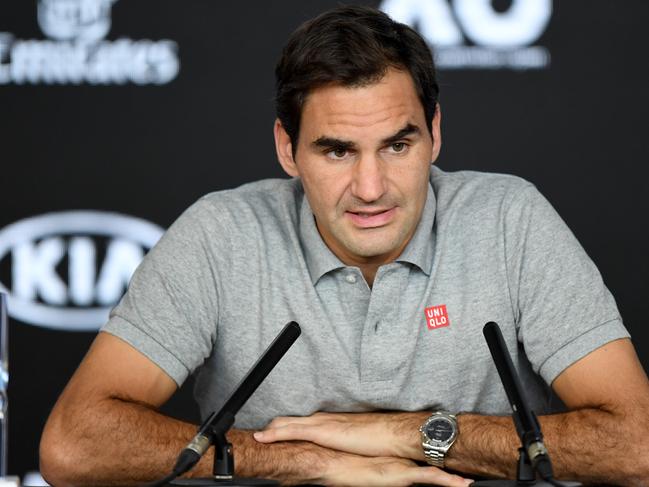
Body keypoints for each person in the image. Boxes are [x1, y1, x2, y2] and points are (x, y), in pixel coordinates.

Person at [40, 5, 649, 487]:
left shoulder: (509, 219)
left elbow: (638, 445)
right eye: (337, 150)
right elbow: (74, 445)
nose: (371, 188)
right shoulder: (221, 233)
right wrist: (304, 460)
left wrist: (416, 435)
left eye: (397, 144)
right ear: (287, 149)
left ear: (434, 134)